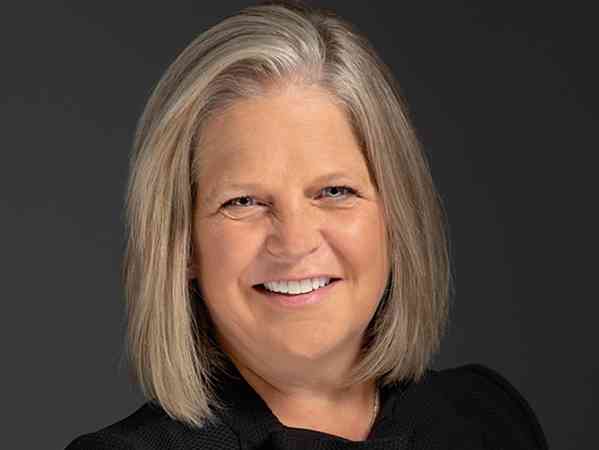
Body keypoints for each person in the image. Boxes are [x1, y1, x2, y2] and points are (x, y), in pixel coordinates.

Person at [66, 1, 548, 448]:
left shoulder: (488, 418)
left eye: (334, 192)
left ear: (396, 214)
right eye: (244, 201)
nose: (295, 242)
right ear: (184, 243)